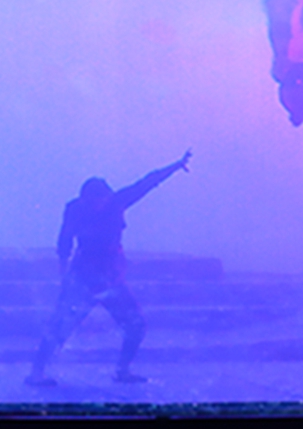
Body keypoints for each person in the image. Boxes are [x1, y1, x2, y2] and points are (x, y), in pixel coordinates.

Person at [26, 150, 192, 387]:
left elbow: (146, 183)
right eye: (93, 202)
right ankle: (37, 373)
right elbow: (65, 240)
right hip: (82, 275)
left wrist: (175, 166)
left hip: (111, 276)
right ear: (85, 199)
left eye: (101, 200)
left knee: (135, 324)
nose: (97, 205)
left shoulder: (116, 202)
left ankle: (122, 370)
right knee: (60, 325)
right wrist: (64, 274)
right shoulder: (76, 209)